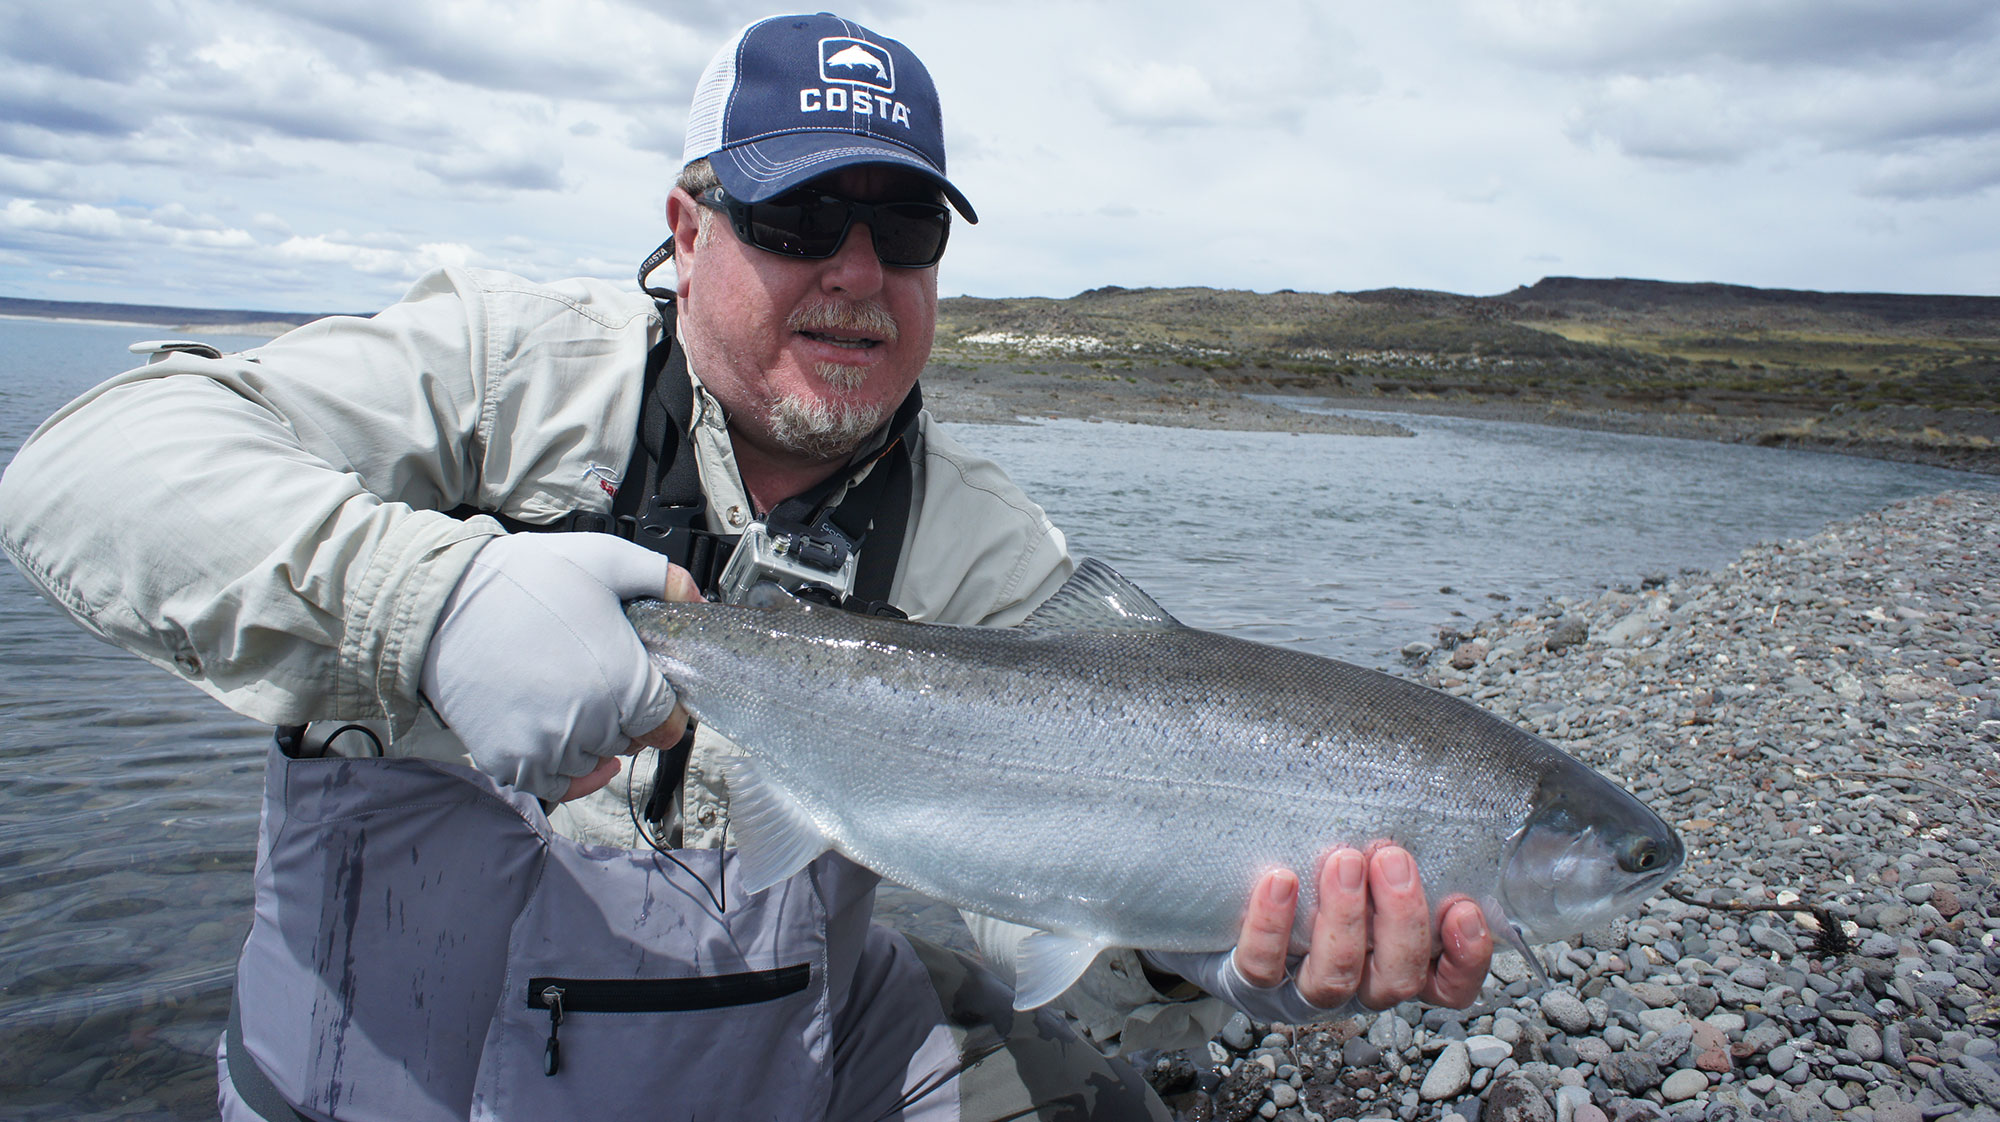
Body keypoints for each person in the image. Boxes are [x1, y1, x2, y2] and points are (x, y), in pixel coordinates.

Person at [0, 13, 1492, 1121]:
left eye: (901, 223)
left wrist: (1218, 950)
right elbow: (88, 465)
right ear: (685, 225)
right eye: (795, 217)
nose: (856, 271)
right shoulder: (497, 373)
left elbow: (1060, 920)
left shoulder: (987, 553)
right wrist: (424, 601)